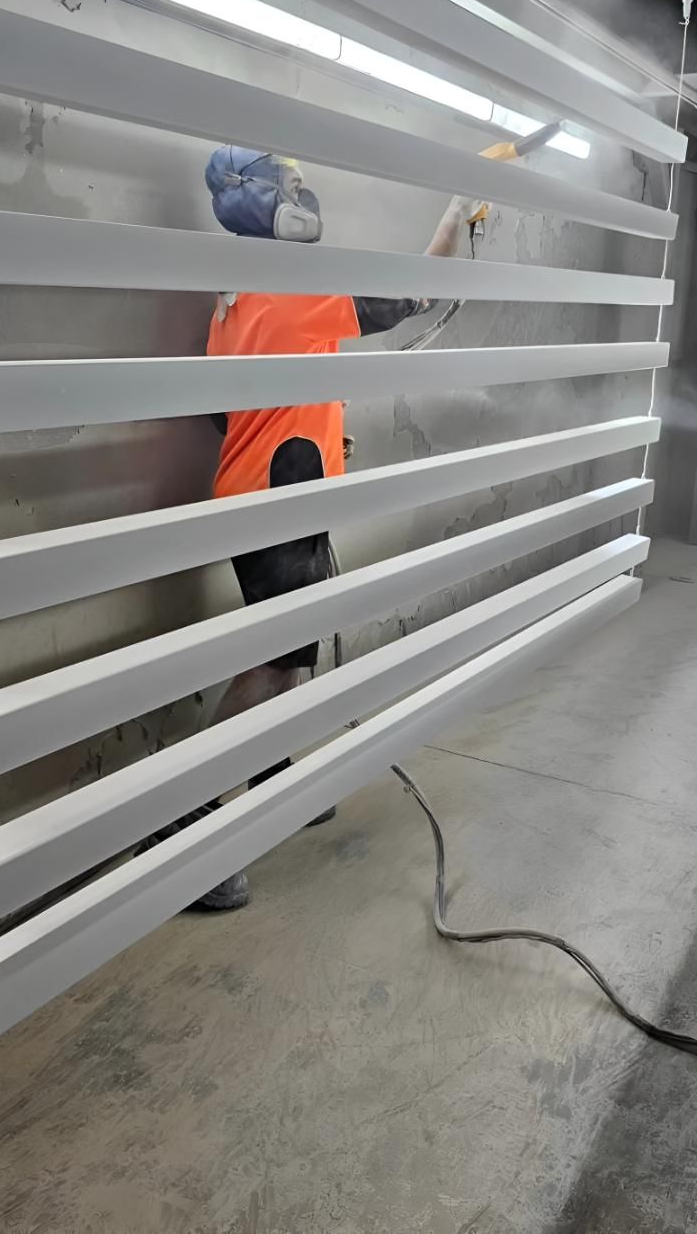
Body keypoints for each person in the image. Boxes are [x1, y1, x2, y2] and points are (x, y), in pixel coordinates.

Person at [142, 146, 488, 910]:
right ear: (262, 200)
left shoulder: (235, 296)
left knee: (290, 649)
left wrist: (319, 429)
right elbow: (408, 295)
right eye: (292, 185)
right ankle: (180, 819)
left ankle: (272, 778)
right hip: (279, 500)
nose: (305, 196)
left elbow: (233, 407)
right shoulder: (293, 287)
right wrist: (454, 214)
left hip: (261, 488)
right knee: (273, 662)